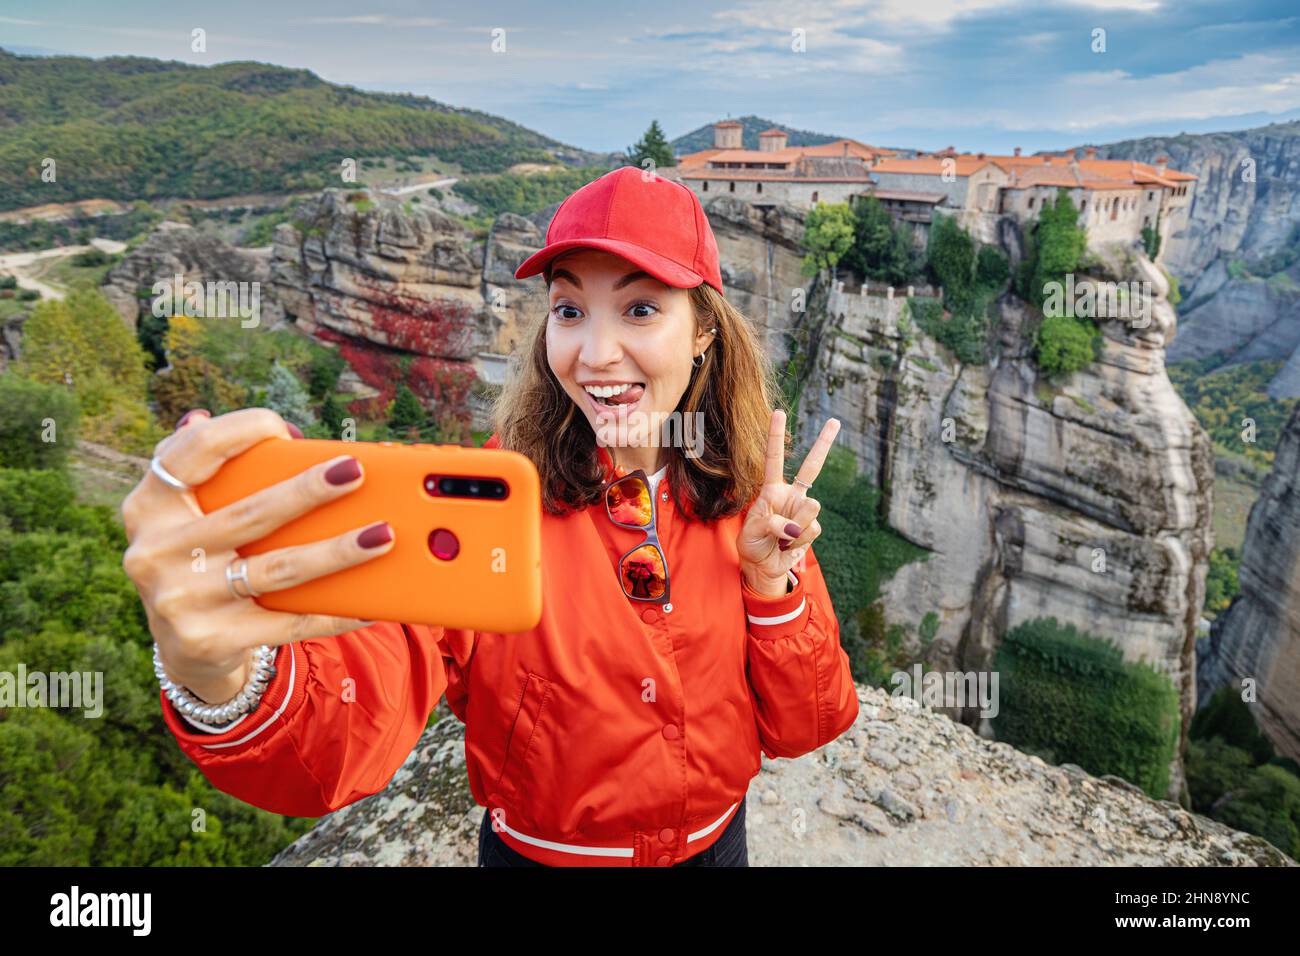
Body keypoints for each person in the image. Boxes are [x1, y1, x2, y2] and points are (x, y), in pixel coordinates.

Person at [121, 165, 859, 868]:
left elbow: (809, 724)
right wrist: (223, 674)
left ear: (703, 331)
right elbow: (343, 726)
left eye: (640, 308)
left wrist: (773, 588)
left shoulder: (747, 498)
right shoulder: (486, 507)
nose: (597, 353)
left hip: (716, 849)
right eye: (569, 310)